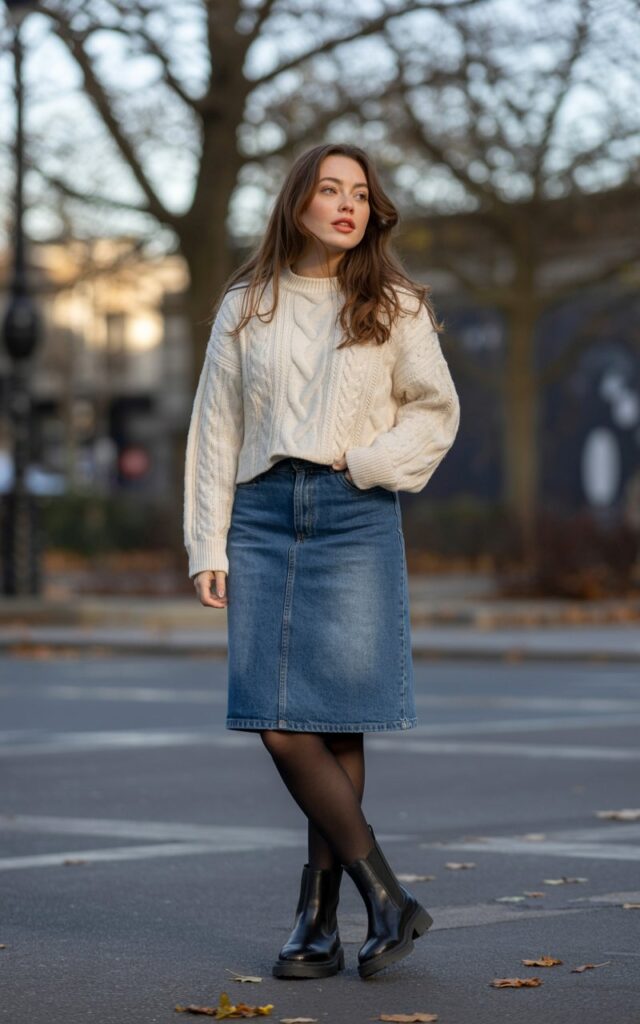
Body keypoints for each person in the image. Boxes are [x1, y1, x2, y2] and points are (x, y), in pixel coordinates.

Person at [183, 143, 460, 981]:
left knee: (334, 719)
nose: (347, 204)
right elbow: (214, 430)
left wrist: (367, 465)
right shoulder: (247, 302)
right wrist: (207, 540)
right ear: (297, 201)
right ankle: (387, 898)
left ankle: (318, 922)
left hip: (353, 513)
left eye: (361, 194)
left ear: (374, 211)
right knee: (277, 718)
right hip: (263, 515)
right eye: (330, 189)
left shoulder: (395, 302)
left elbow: (435, 413)